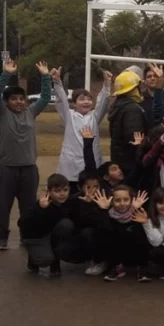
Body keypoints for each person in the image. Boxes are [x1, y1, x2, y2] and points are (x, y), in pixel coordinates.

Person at [0, 60, 51, 250]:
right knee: (3, 206)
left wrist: (45, 76)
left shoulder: (31, 112)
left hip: (29, 167)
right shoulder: (3, 114)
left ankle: (26, 235)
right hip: (6, 168)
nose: (19, 102)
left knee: (28, 207)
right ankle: (2, 237)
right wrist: (6, 74)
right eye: (14, 99)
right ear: (7, 102)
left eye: (21, 98)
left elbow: (45, 98)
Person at [51, 68, 112, 194]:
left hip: (91, 165)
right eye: (82, 99)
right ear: (74, 103)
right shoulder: (69, 116)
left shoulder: (94, 117)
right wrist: (57, 81)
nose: (86, 102)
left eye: (89, 99)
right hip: (71, 167)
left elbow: (103, 102)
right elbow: (61, 99)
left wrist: (107, 84)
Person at [21, 174, 79, 277]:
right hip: (37, 237)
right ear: (49, 191)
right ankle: (33, 258)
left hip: (52, 235)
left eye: (65, 190)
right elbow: (22, 222)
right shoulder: (40, 205)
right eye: (57, 191)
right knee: (45, 260)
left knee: (66, 225)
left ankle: (55, 261)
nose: (62, 194)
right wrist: (41, 209)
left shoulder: (69, 203)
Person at [91, 186, 152, 282]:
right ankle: (117, 268)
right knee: (106, 236)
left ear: (131, 200)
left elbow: (142, 236)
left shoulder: (138, 212)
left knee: (140, 235)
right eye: (117, 200)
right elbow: (105, 231)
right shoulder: (110, 215)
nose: (122, 203)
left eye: (126, 199)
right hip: (118, 254)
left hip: (135, 252)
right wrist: (103, 210)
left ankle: (142, 268)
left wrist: (136, 209)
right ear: (112, 201)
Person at [108, 69, 148, 175]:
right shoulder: (132, 109)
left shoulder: (118, 105)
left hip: (119, 159)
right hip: (130, 163)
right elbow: (134, 138)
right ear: (133, 89)